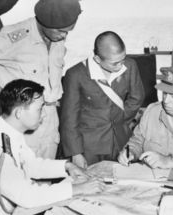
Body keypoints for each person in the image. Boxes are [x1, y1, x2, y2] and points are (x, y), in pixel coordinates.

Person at [0, 80, 105, 215]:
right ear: (19, 113)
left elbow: (31, 165)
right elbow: (26, 196)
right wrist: (76, 189)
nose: (44, 114)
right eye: (39, 109)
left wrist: (66, 166)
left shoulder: (7, 133)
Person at [0, 0, 82, 159]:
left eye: (68, 31)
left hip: (50, 122)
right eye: (61, 31)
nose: (64, 36)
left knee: (47, 177)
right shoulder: (14, 37)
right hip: (21, 120)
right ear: (44, 22)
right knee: (17, 179)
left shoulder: (56, 36)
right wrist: (5, 97)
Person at [60, 31, 144, 168]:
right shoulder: (75, 74)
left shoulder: (130, 65)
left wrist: (120, 119)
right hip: (89, 145)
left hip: (121, 140)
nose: (121, 66)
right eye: (115, 63)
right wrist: (75, 153)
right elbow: (69, 118)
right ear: (98, 59)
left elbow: (137, 98)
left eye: (123, 59)